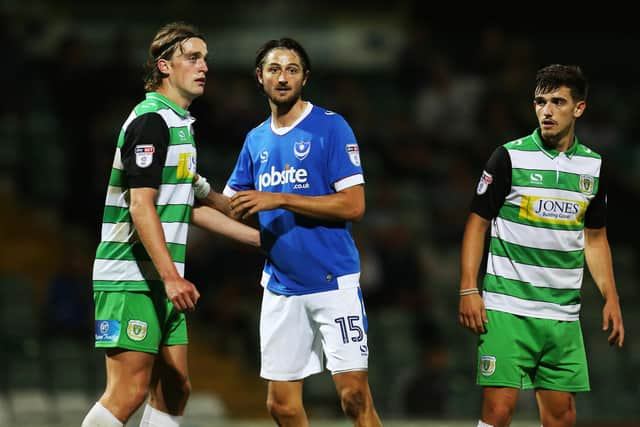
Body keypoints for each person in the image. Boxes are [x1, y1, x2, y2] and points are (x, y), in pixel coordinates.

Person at [82, 22, 260, 427]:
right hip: (131, 275)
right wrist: (171, 278)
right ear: (164, 66)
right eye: (193, 58)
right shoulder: (150, 123)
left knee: (175, 389)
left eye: (206, 59)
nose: (204, 67)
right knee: (128, 391)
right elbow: (142, 206)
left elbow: (189, 204)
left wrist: (261, 238)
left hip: (161, 276)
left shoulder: (179, 125)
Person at [199, 37, 382, 426]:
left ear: (305, 78)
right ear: (259, 77)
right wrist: (196, 191)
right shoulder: (256, 139)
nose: (283, 77)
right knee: (280, 406)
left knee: (353, 397)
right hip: (281, 286)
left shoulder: (330, 127)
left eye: (292, 69)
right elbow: (236, 206)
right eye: (274, 69)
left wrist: (279, 198)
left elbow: (354, 205)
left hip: (333, 282)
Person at [458, 64, 625, 427]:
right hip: (507, 307)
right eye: (540, 102)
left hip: (562, 315)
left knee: (561, 417)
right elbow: (477, 223)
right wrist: (469, 288)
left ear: (578, 108)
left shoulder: (592, 167)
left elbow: (594, 239)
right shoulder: (508, 157)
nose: (546, 111)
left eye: (557, 102)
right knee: (498, 412)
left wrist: (610, 297)